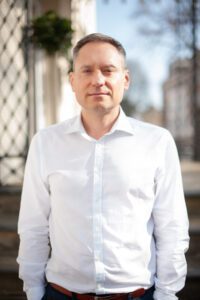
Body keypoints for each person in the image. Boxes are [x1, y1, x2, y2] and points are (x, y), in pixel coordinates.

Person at [17, 33, 189, 300]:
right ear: (73, 81)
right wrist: (34, 292)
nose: (98, 80)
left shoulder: (157, 142)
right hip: (60, 294)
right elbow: (33, 227)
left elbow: (172, 228)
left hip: (138, 295)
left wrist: (167, 294)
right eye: (87, 70)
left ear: (126, 79)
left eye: (108, 70)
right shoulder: (45, 144)